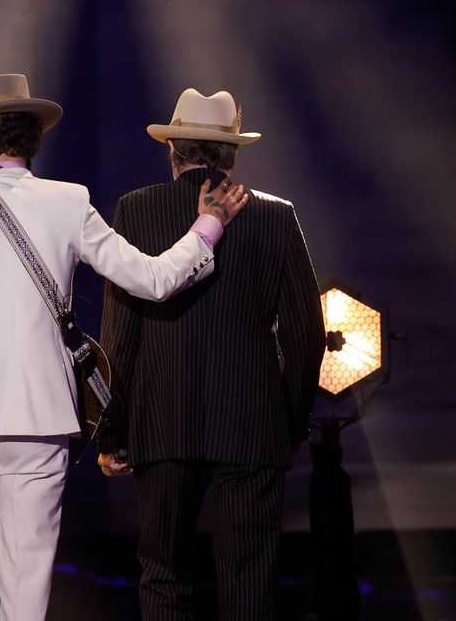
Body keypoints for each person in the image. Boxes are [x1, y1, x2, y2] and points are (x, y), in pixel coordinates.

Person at [0, 74, 248, 621]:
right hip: (41, 417)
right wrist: (208, 225)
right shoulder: (69, 201)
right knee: (28, 569)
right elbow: (153, 280)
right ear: (33, 139)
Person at [97, 88, 325, 620]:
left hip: (160, 424)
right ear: (233, 154)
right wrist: (289, 422)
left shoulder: (137, 209)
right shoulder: (274, 217)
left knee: (164, 578)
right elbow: (305, 332)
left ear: (173, 150)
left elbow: (119, 331)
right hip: (251, 428)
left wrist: (112, 428)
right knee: (249, 585)